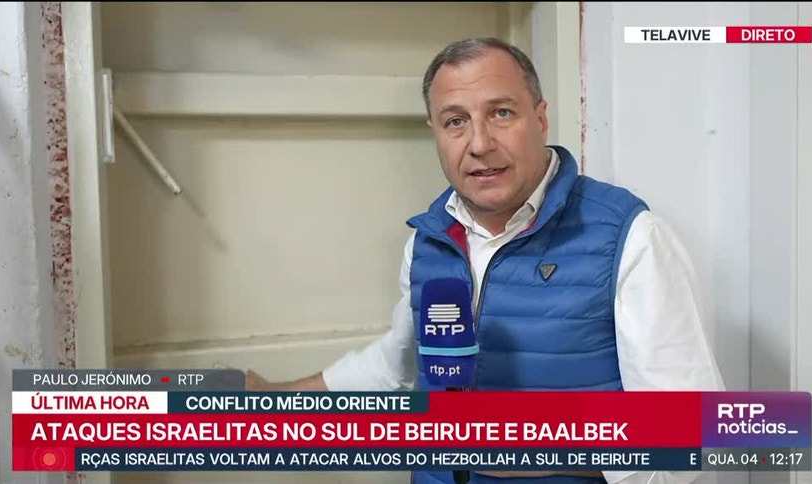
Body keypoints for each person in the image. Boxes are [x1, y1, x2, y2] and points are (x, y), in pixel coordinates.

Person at [247, 37, 725, 483]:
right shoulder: (428, 241)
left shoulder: (631, 238)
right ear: (436, 132)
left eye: (501, 113)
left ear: (540, 118)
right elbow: (398, 364)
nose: (479, 143)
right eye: (455, 121)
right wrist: (278, 397)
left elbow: (693, 436)